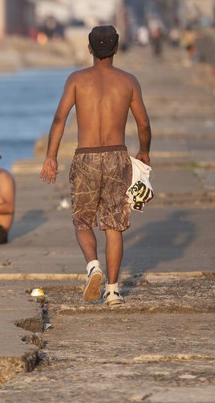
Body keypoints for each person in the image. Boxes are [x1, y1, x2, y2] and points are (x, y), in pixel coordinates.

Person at [40, 25, 151, 306]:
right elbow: (143, 123)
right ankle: (113, 291)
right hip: (117, 156)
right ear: (116, 49)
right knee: (114, 226)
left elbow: (59, 119)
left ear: (89, 49)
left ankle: (93, 266)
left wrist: (50, 157)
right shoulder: (128, 81)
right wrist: (145, 152)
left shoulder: (77, 80)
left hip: (86, 156)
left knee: (82, 220)